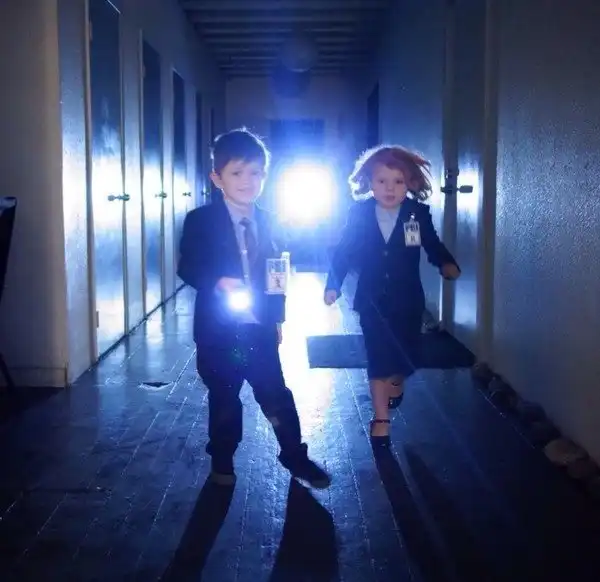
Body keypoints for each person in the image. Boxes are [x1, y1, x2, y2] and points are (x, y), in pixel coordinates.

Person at [178, 128, 331, 489]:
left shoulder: (271, 221)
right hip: (217, 330)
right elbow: (188, 267)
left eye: (255, 173)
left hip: (258, 327)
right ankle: (222, 459)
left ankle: (294, 455)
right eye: (236, 173)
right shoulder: (200, 220)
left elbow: (277, 276)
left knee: (276, 394)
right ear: (217, 178)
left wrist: (276, 318)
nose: (247, 181)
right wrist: (218, 280)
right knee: (224, 396)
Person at [323, 145, 461, 448]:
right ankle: (381, 418)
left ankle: (398, 378)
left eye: (398, 181)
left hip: (407, 298)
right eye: (382, 181)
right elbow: (344, 251)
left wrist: (446, 263)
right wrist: (333, 284)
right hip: (372, 298)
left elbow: (432, 244)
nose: (390, 188)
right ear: (369, 183)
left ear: (410, 183)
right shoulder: (359, 214)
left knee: (407, 355)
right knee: (377, 355)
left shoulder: (417, 213)